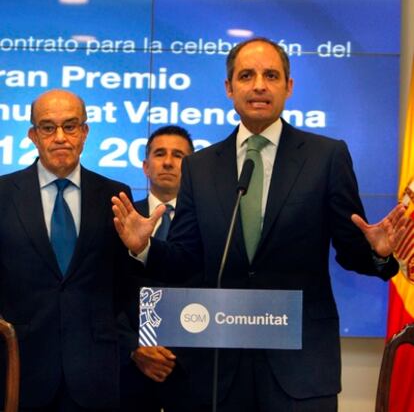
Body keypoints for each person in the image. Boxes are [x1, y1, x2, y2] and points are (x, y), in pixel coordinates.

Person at [112, 38, 408, 412]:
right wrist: (146, 247)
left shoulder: (326, 156)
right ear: (229, 88)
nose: (259, 86)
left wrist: (377, 253)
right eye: (246, 75)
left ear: (289, 86)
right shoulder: (201, 167)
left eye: (271, 75)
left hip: (299, 366)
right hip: (219, 366)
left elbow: (351, 251)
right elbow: (187, 261)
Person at [0, 89, 139, 412]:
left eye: (71, 126)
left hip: (95, 372)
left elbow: (124, 286)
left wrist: (140, 249)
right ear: (33, 135)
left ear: (85, 132)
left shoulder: (116, 195)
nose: (60, 137)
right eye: (48, 127)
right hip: (20, 370)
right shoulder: (3, 194)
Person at [117, 125, 194, 412]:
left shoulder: (210, 221)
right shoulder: (120, 217)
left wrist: (173, 356)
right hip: (129, 371)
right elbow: (105, 290)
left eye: (178, 155)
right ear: (145, 166)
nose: (168, 162)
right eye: (159, 154)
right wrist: (133, 347)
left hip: (190, 372)